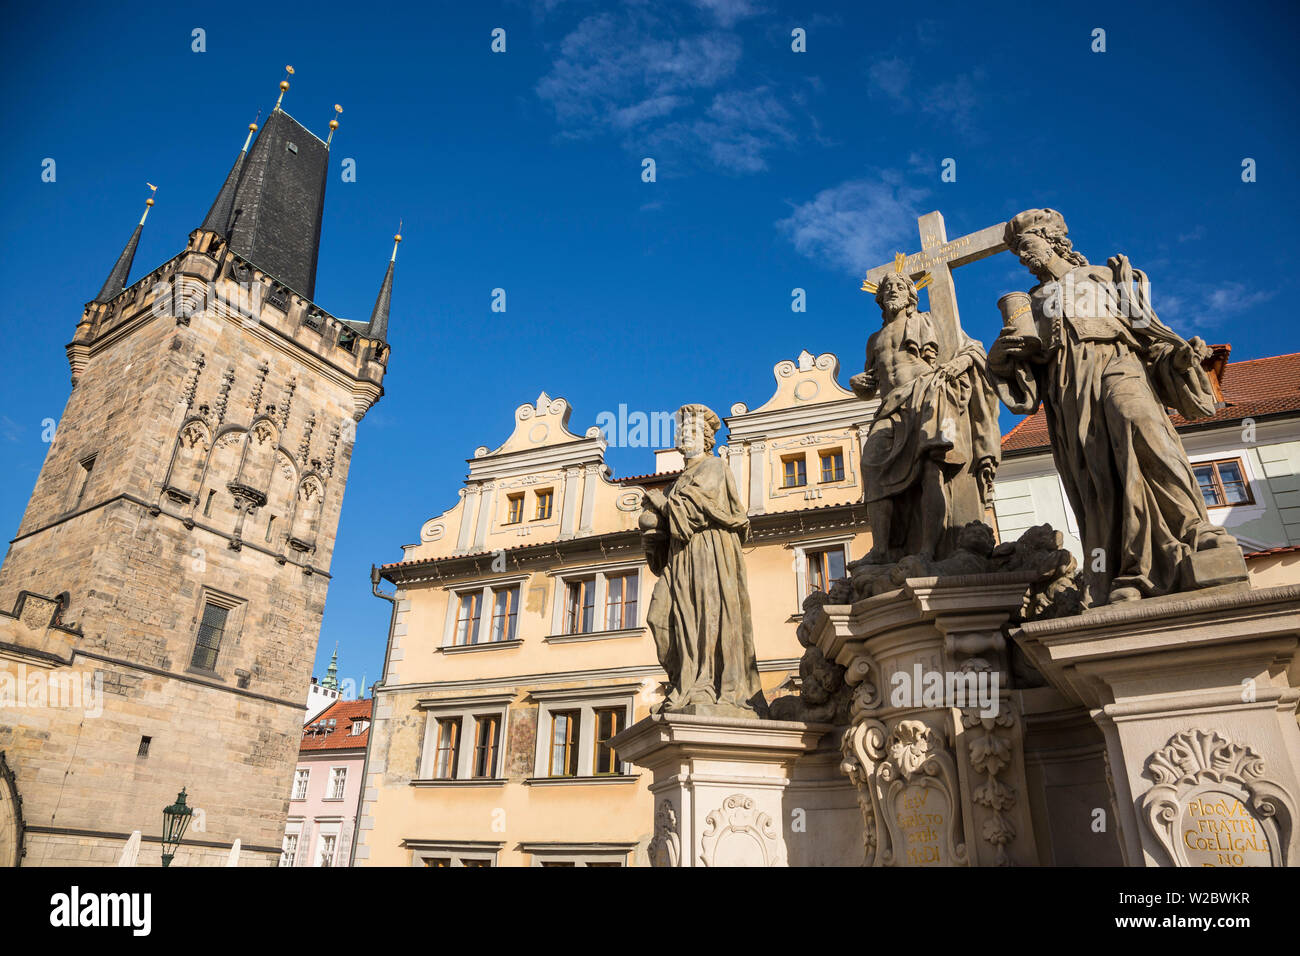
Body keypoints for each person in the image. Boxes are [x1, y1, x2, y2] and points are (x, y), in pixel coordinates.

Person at [986, 208, 1240, 605]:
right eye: (1017, 250)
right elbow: (1025, 389)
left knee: (1142, 426)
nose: (1022, 256)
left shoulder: (1103, 277)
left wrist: (1178, 357)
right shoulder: (1032, 302)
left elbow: (1149, 332)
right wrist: (1003, 355)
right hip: (1068, 388)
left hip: (1117, 362)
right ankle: (1129, 570)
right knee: (1101, 474)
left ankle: (1194, 529)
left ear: (1051, 238)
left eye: (1026, 244)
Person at [850, 270, 999, 563]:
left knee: (933, 469)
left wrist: (958, 363)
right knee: (871, 466)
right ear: (879, 299)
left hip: (927, 395)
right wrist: (861, 385)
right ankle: (881, 550)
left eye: (899, 286)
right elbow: (872, 383)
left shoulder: (928, 320)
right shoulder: (874, 339)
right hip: (889, 407)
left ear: (910, 295)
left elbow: (975, 349)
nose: (893, 290)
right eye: (887, 287)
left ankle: (930, 549)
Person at [639, 404, 765, 716]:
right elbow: (672, 520)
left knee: (709, 616)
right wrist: (654, 529)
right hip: (679, 558)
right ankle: (683, 679)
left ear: (706, 438)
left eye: (691, 430)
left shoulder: (714, 468)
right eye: (681, 430)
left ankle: (707, 682)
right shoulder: (675, 482)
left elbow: (694, 512)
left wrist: (662, 505)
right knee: (659, 618)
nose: (684, 435)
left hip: (708, 553)